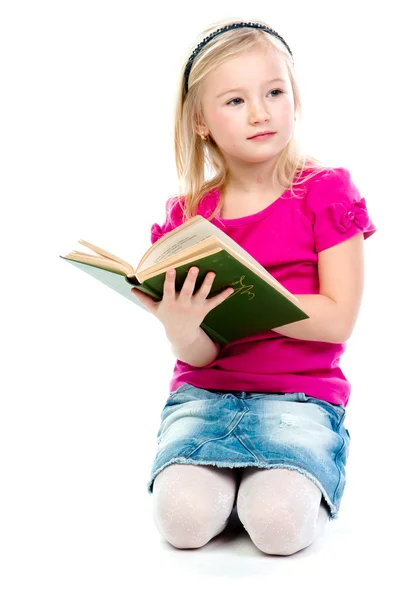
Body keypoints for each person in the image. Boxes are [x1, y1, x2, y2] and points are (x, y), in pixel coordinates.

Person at [131, 18, 377, 555]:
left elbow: (338, 319)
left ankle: (277, 483)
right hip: (206, 394)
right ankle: (236, 485)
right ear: (200, 122)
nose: (261, 112)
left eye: (274, 92)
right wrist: (180, 328)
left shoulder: (325, 191)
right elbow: (201, 351)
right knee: (182, 522)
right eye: (236, 101)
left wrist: (252, 295)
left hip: (300, 398)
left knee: (277, 528)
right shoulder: (189, 217)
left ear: (294, 97)